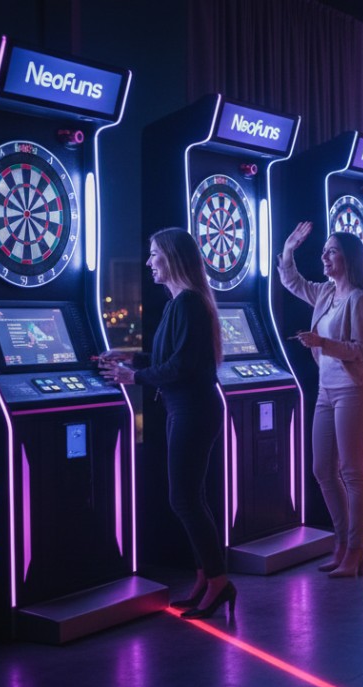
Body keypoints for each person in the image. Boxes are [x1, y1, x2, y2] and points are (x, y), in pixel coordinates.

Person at [100, 228, 234, 619]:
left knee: (186, 500)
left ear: (173, 258)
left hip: (192, 410)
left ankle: (219, 582)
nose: (149, 262)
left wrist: (134, 378)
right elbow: (170, 355)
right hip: (187, 409)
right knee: (191, 499)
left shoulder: (188, 303)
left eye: (155, 254)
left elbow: (182, 366)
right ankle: (205, 579)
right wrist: (131, 356)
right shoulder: (183, 303)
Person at [278, 222, 363, 578]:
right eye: (323, 251)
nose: (323, 256)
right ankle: (340, 542)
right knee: (322, 469)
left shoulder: (360, 300)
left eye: (331, 250)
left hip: (354, 390)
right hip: (325, 391)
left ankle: (356, 549)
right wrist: (289, 250)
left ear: (348, 258)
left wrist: (322, 343)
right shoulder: (324, 293)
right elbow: (293, 282)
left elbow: (362, 352)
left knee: (351, 472)